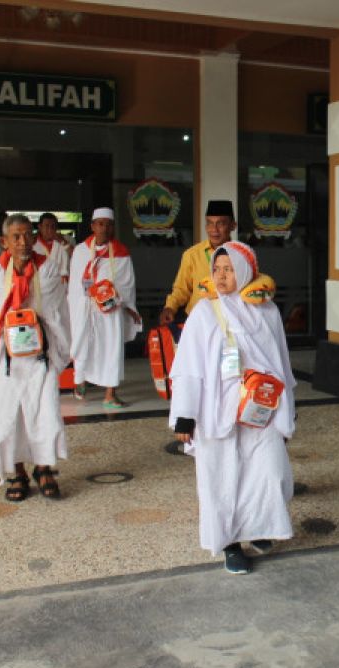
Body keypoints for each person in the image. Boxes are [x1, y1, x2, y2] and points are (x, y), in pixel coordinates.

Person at [169, 242, 295, 575]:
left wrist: (288, 409)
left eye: (228, 269)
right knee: (221, 476)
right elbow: (188, 367)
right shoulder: (203, 311)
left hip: (261, 406)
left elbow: (281, 363)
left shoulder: (267, 310)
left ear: (244, 270)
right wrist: (184, 414)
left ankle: (257, 527)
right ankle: (228, 542)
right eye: (217, 270)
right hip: (217, 409)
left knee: (267, 471)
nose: (222, 276)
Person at [0, 213, 70, 501]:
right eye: (16, 237)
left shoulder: (46, 271)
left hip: (38, 358)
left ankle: (44, 468)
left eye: (27, 236)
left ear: (34, 238)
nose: (22, 242)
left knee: (46, 413)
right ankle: (18, 472)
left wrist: (32, 318)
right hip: (6, 361)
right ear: (4, 242)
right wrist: (5, 318)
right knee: (8, 417)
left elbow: (57, 312)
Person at [67, 207, 143, 409]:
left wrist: (116, 298)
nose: (104, 228)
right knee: (82, 344)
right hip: (84, 308)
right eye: (100, 224)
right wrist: (85, 298)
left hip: (110, 309)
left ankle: (110, 393)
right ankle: (80, 381)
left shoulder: (121, 252)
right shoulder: (81, 251)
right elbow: (75, 283)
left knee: (112, 348)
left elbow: (127, 283)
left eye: (108, 224)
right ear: (93, 226)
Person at [159, 200, 236, 328]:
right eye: (210, 223)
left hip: (230, 322)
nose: (214, 230)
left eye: (220, 224)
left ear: (233, 225)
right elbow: (181, 289)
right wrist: (170, 308)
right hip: (197, 322)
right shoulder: (192, 255)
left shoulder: (241, 255)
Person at [34, 212, 72, 283]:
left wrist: (62, 241)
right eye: (47, 226)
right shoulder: (32, 243)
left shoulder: (67, 239)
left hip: (62, 285)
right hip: (40, 286)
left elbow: (76, 256)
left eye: (53, 226)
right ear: (40, 227)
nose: (50, 229)